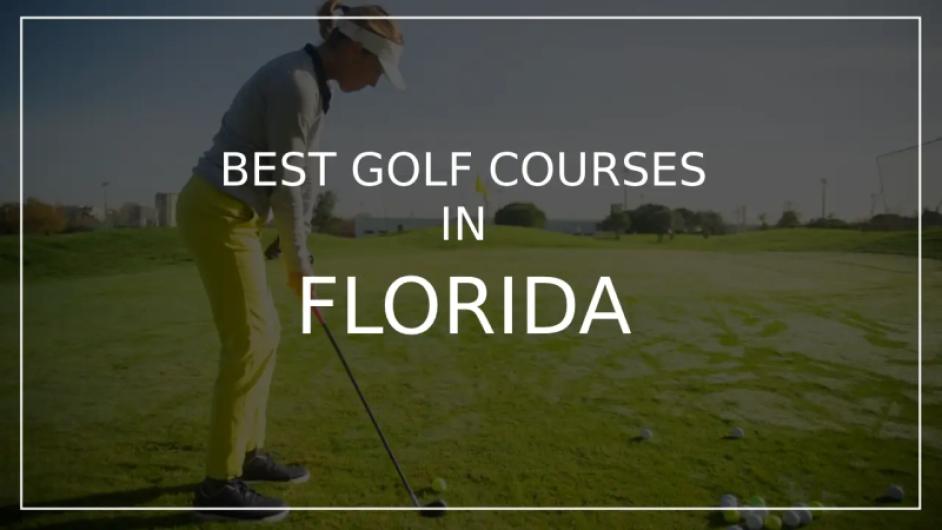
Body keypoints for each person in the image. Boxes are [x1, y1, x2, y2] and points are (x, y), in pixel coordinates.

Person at [176, 1, 404, 522]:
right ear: (351, 47)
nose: (373, 83)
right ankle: (218, 486)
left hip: (238, 214)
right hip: (219, 212)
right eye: (374, 69)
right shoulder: (298, 83)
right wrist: (300, 262)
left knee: (265, 335)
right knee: (250, 341)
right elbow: (289, 187)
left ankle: (246, 453)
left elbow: (300, 180)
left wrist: (292, 244)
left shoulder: (314, 86)